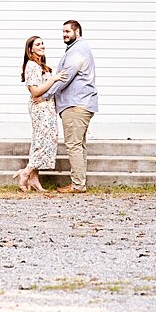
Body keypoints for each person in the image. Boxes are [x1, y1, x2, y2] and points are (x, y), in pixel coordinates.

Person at [47, 19, 98, 194]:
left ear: (77, 31)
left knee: (73, 145)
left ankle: (77, 184)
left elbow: (64, 77)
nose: (64, 35)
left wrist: (45, 94)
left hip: (76, 105)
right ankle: (80, 182)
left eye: (67, 31)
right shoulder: (76, 49)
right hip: (82, 104)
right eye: (63, 32)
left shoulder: (78, 50)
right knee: (79, 145)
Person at [16, 35, 67, 193]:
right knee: (43, 141)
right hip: (40, 109)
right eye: (38, 44)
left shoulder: (41, 65)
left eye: (42, 43)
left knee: (43, 140)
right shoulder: (31, 65)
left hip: (47, 107)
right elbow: (35, 91)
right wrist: (54, 79)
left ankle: (34, 179)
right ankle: (25, 173)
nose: (42, 46)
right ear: (30, 49)